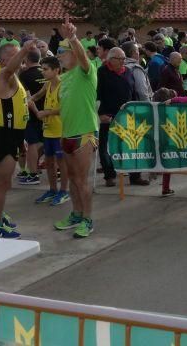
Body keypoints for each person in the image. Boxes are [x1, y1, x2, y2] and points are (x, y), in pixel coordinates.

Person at [54, 21, 99, 239]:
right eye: (58, 52)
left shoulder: (86, 71)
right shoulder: (63, 77)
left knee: (82, 180)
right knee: (71, 179)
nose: (59, 55)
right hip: (66, 135)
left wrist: (73, 38)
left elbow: (83, 58)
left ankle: (88, 220)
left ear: (74, 53)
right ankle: (76, 214)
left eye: (63, 52)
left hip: (84, 134)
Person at [0, 41, 33, 238]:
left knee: (7, 184)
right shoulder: (2, 76)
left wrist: (20, 139)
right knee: (1, 184)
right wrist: (24, 49)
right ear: (4, 59)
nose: (21, 61)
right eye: (16, 56)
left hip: (13, 136)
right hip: (2, 136)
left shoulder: (14, 78)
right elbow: (12, 66)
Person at [30, 56, 70, 206]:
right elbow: (38, 95)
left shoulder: (63, 85)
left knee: (62, 163)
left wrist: (46, 113)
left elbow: (65, 108)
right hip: (48, 130)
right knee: (49, 162)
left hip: (60, 131)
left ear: (56, 70)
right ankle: (52, 190)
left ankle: (64, 191)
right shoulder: (47, 85)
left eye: (46, 69)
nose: (43, 72)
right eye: (42, 69)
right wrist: (28, 99)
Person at [97, 47, 139, 188]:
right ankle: (109, 175)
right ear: (110, 59)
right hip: (108, 115)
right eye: (119, 59)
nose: (123, 61)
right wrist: (100, 114)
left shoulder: (128, 71)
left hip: (127, 115)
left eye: (124, 59)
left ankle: (135, 176)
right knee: (105, 146)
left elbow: (132, 91)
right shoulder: (102, 72)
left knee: (131, 145)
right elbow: (97, 94)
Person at [18, 48, 44, 186]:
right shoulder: (48, 72)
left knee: (32, 143)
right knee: (47, 140)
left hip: (32, 114)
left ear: (26, 60)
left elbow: (27, 98)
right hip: (50, 112)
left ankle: (33, 174)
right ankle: (56, 171)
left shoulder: (23, 76)